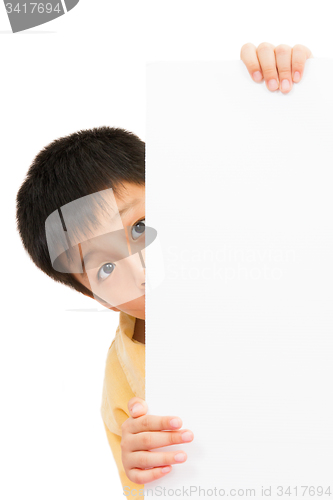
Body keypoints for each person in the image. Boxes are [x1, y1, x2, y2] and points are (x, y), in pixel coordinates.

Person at [15, 42, 313, 498]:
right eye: (106, 265)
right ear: (94, 296)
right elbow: (146, 483)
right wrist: (143, 469)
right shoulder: (124, 380)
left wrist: (279, 92)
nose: (141, 267)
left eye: (141, 226)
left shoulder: (260, 244)